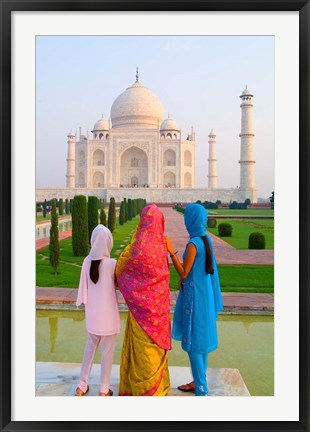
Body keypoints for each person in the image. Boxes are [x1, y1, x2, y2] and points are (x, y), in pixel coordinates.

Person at [165, 203, 224, 396]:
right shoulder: (205, 239)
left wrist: (171, 251)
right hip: (204, 295)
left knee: (193, 345)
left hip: (195, 298)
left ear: (190, 220)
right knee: (201, 343)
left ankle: (201, 388)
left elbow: (183, 272)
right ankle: (198, 380)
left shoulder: (193, 245)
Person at [116, 204, 171, 396]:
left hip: (140, 311)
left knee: (141, 348)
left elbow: (121, 268)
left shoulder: (136, 246)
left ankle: (138, 387)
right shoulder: (161, 245)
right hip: (159, 310)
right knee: (153, 348)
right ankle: (156, 387)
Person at [75, 224, 121, 396]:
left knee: (89, 348)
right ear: (108, 242)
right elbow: (119, 285)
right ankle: (103, 389)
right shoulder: (112, 264)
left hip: (93, 315)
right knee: (107, 352)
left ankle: (81, 385)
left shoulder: (87, 262)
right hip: (108, 316)